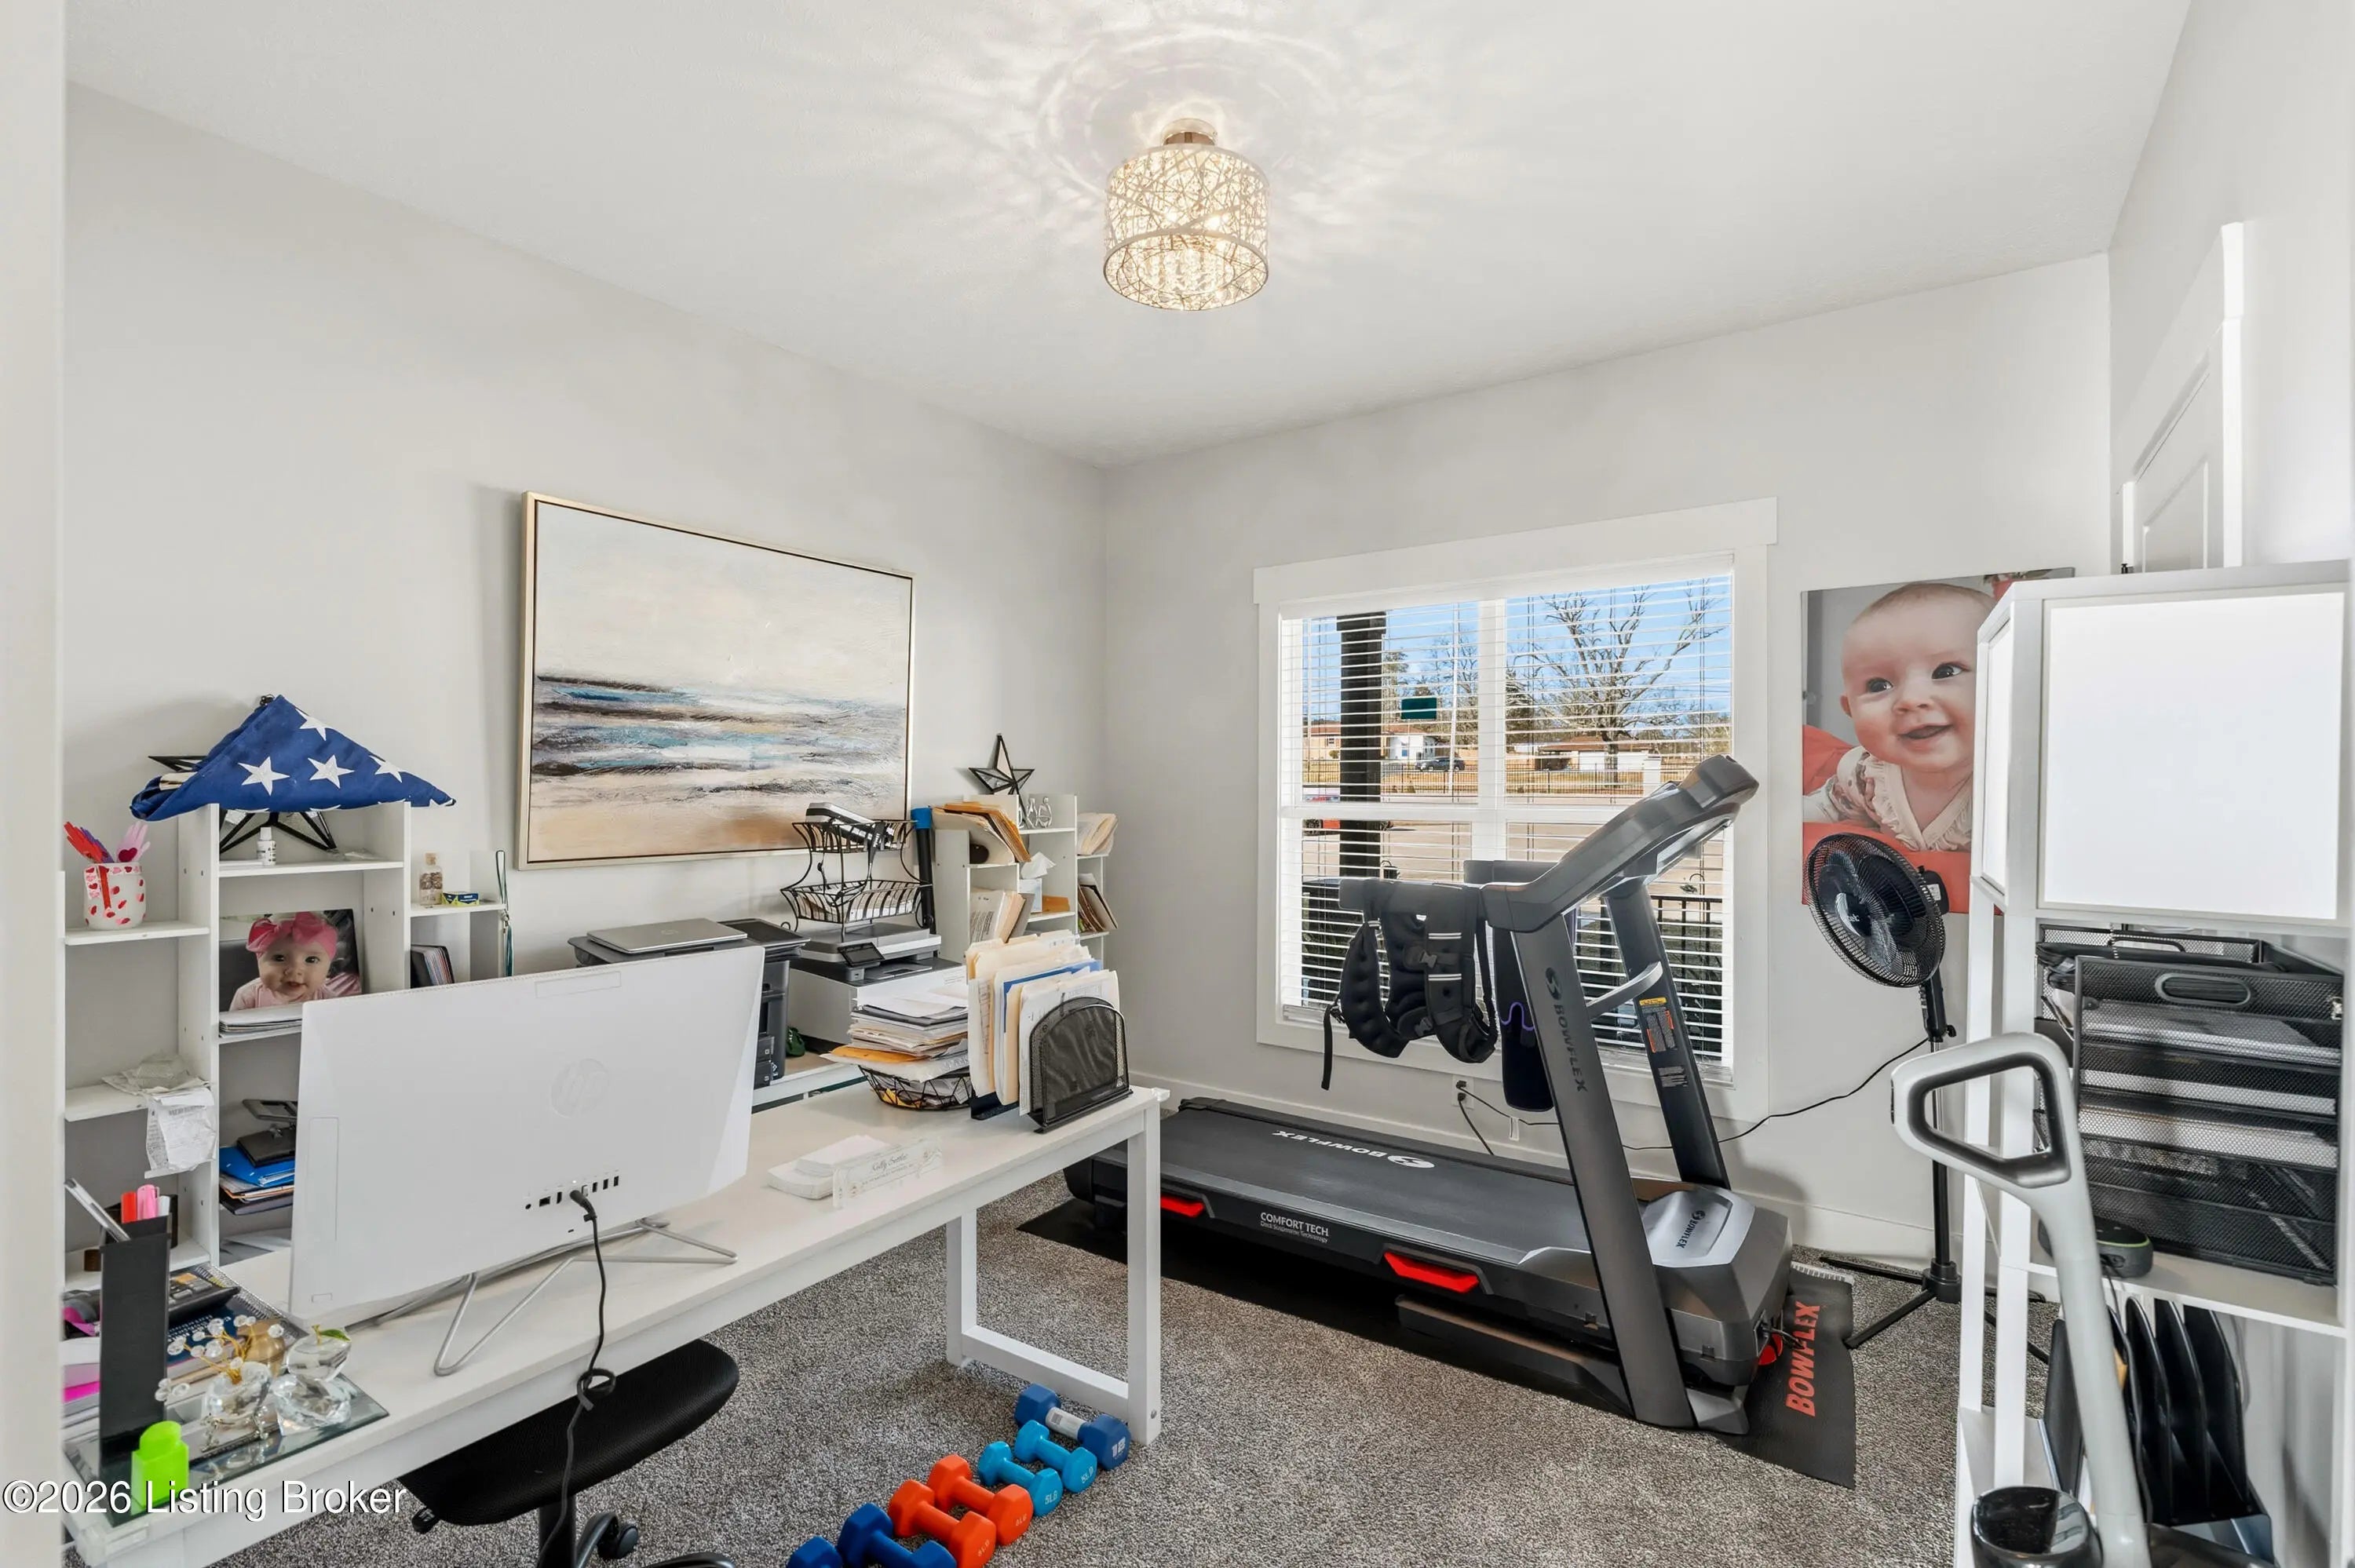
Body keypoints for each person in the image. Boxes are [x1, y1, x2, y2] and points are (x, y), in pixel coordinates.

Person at [1802, 581, 1993, 851]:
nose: (1911, 700)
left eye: (1946, 672)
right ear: (1850, 710)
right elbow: (1825, 808)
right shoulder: (1866, 773)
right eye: (1879, 685)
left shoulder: (2017, 779)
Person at [228, 912, 361, 1008]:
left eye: (311, 960)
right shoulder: (248, 997)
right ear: (259, 961)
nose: (295, 970)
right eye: (279, 958)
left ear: (328, 967)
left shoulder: (327, 999)